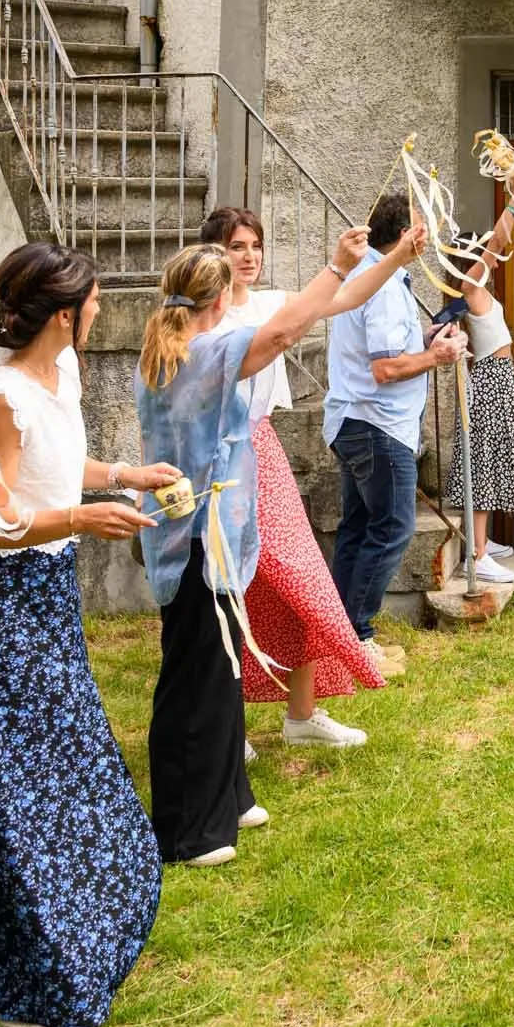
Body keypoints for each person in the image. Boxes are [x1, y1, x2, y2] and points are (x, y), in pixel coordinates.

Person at [0, 242, 179, 1027]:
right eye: (96, 303)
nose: (101, 313)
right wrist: (80, 518)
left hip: (45, 602)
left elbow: (58, 465)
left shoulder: (60, 375)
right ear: (66, 314)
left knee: (72, 771)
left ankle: (71, 937)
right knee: (10, 791)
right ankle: (15, 976)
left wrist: (124, 476)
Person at [137, 227, 412, 867]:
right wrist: (336, 264)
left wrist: (374, 263)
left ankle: (230, 796)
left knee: (223, 665)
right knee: (199, 679)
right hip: (198, 543)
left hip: (211, 537)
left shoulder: (174, 347)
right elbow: (286, 332)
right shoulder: (204, 352)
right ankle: (191, 829)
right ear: (215, 300)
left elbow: (294, 321)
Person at [199, 207, 395, 750]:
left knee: (304, 582)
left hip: (263, 448)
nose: (249, 256)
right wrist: (335, 263)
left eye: (255, 245)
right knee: (230, 591)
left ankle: (302, 715)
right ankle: (226, 726)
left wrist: (397, 256)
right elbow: (283, 335)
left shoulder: (270, 301)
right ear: (213, 254)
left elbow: (348, 297)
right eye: (237, 246)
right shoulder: (205, 319)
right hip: (218, 458)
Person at [322, 192, 466, 661]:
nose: (426, 237)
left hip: (357, 421)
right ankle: (357, 636)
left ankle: (338, 631)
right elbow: (384, 370)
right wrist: (437, 355)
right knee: (393, 529)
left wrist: (424, 339)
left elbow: (384, 349)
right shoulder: (382, 286)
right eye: (420, 229)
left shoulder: (373, 278)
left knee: (359, 527)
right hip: (376, 425)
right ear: (405, 235)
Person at [442, 208, 514, 583]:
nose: (493, 261)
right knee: (483, 462)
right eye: (482, 256)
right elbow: (498, 244)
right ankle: (476, 554)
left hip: (499, 380)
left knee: (493, 458)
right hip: (490, 382)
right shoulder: (472, 288)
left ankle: (483, 541)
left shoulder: (476, 294)